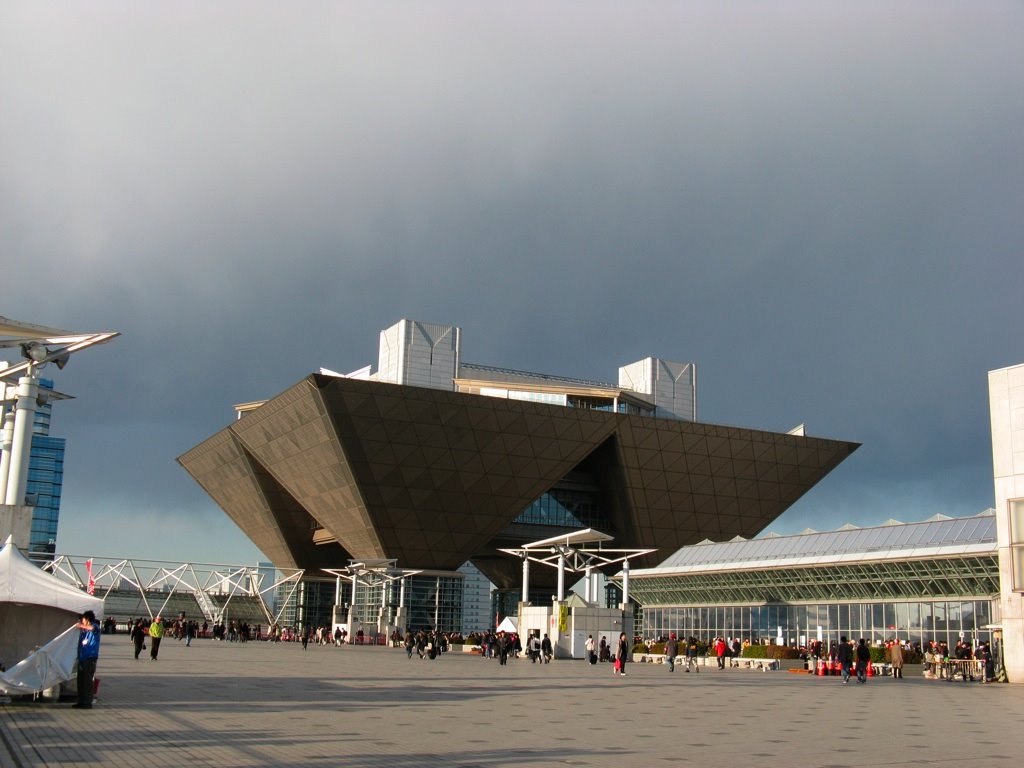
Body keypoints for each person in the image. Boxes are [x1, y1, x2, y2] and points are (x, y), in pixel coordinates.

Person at [74, 610, 100, 709]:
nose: (81, 621)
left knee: (87, 680)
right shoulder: (84, 631)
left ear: (87, 619)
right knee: (80, 680)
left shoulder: (95, 626)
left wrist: (81, 626)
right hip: (82, 658)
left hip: (90, 658)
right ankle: (81, 700)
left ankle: (87, 701)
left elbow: (92, 628)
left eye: (83, 619)